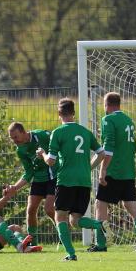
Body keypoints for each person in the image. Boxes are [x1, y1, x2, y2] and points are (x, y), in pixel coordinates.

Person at [37, 98, 106, 261]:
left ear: (59, 113)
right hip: (84, 181)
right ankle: (98, 224)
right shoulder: (85, 131)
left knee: (60, 216)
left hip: (66, 180)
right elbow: (102, 154)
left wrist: (42, 154)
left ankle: (71, 254)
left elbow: (51, 161)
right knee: (75, 220)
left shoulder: (58, 132)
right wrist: (88, 167)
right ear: (74, 113)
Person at [94, 92, 136, 252]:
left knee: (100, 204)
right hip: (128, 171)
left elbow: (109, 147)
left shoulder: (108, 120)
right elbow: (133, 147)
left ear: (107, 104)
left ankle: (101, 243)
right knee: (131, 205)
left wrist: (103, 169)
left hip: (113, 171)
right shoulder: (128, 120)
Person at [8, 122, 57, 247]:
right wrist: (15, 187)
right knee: (30, 209)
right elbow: (29, 173)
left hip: (53, 176)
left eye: (16, 137)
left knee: (49, 209)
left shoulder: (42, 135)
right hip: (38, 179)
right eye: (11, 138)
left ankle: (63, 235)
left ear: (24, 132)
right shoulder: (20, 150)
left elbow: (59, 142)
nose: (14, 140)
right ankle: (32, 243)